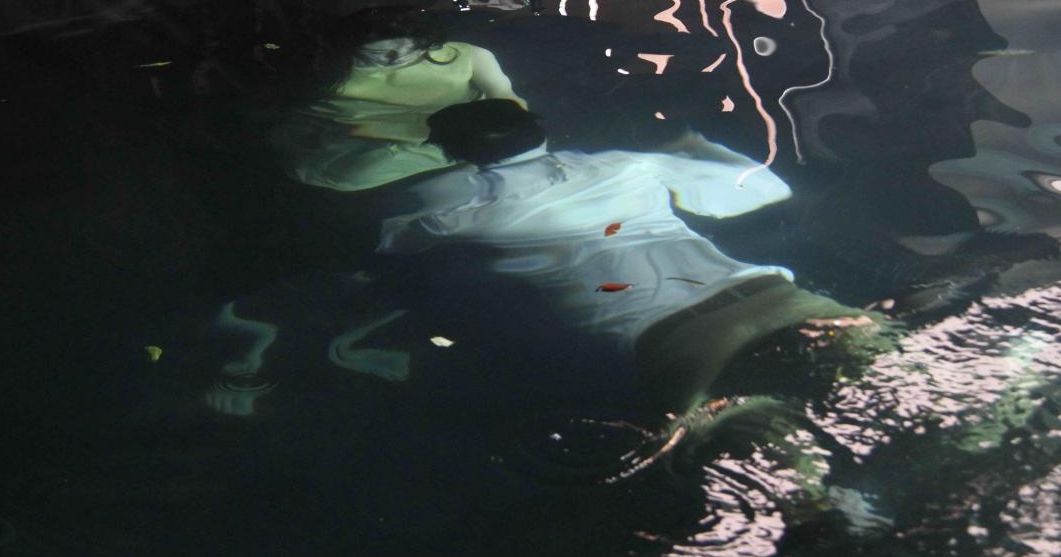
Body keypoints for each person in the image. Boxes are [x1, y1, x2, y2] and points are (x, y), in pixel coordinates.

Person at [377, 99, 882, 415]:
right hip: (775, 298)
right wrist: (695, 144)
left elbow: (390, 244)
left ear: (451, 153)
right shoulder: (626, 164)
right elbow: (766, 189)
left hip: (678, 339)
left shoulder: (450, 202)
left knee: (779, 469)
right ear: (540, 132)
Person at [270, 6, 526, 192]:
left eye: (411, 50)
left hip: (456, 137)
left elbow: (504, 96)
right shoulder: (321, 73)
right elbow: (292, 119)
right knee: (352, 173)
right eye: (381, 54)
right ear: (347, 46)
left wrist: (507, 130)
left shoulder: (468, 56)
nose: (397, 59)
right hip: (363, 146)